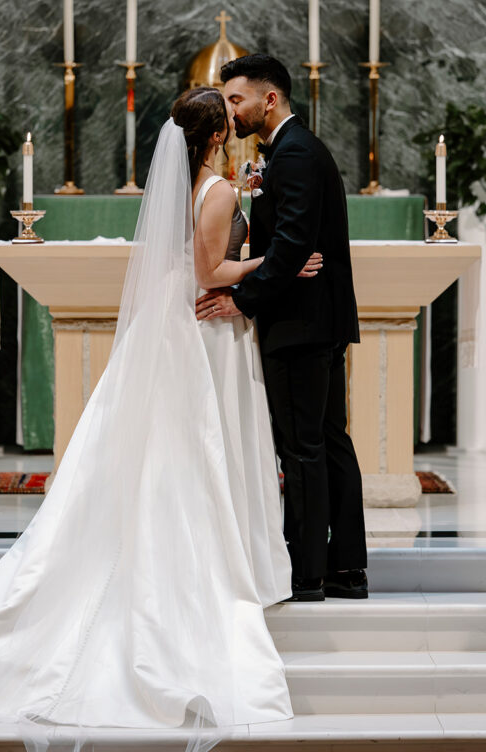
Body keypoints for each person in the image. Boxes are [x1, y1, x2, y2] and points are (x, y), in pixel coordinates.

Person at [0, 89, 306, 747]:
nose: (235, 129)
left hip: (165, 321)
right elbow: (208, 270)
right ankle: (213, 559)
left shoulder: (178, 186)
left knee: (155, 446)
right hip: (200, 327)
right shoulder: (220, 190)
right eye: (229, 123)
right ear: (217, 135)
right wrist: (275, 263)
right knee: (198, 443)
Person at [196, 53, 368, 602]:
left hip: (298, 323)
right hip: (318, 318)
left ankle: (309, 574)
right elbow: (291, 245)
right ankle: (347, 569)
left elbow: (294, 243)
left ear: (269, 99)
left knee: (302, 449)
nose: (231, 112)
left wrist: (242, 299)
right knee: (329, 442)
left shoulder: (293, 154)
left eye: (237, 100)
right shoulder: (294, 151)